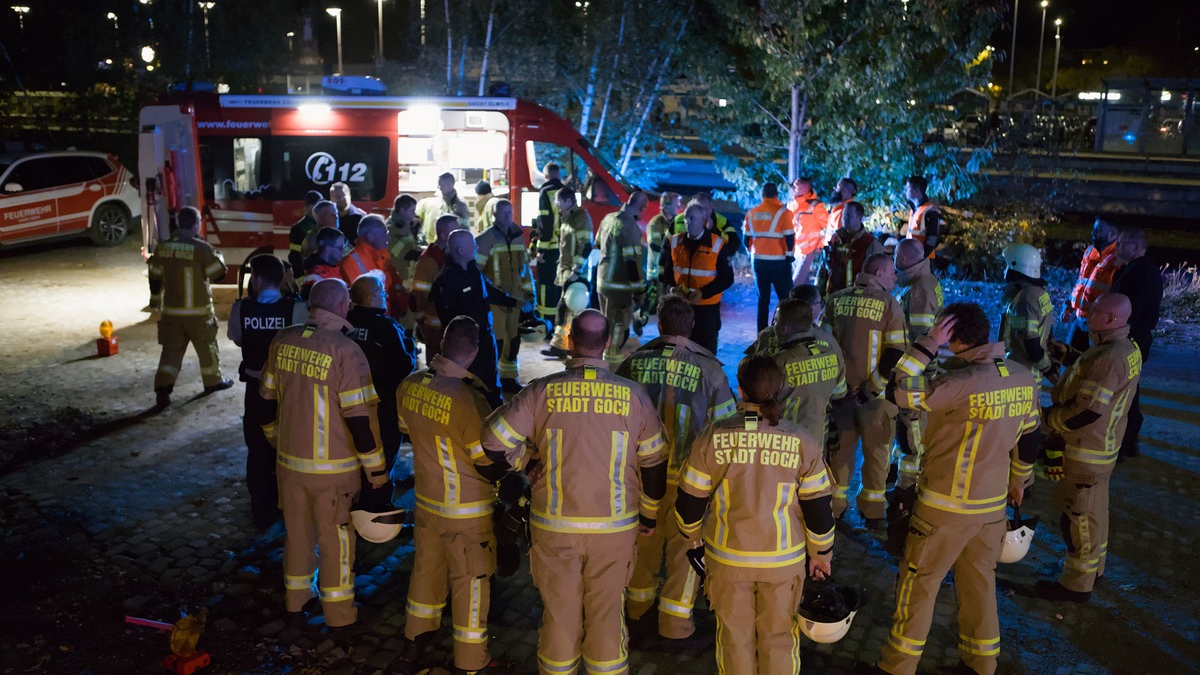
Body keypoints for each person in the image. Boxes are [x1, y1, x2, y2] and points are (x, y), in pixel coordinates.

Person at [479, 309, 667, 675]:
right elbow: (654, 462)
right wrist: (648, 514)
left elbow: (492, 441)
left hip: (554, 528)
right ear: (608, 343)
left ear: (569, 341)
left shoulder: (541, 391)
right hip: (614, 530)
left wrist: (526, 464)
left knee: (559, 615)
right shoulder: (634, 396)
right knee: (607, 615)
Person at [875, 303, 1039, 675]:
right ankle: (981, 664)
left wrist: (927, 343)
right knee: (979, 584)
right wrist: (1019, 481)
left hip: (944, 509)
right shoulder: (1021, 376)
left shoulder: (956, 384)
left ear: (952, 334)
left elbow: (896, 388)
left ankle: (896, 667)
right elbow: (1030, 437)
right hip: (991, 509)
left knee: (919, 585)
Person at [676, 355, 836, 675]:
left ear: (741, 390)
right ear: (781, 389)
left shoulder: (712, 437)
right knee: (780, 638)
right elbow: (819, 510)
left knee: (734, 639)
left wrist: (693, 541)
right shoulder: (802, 441)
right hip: (783, 563)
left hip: (728, 560)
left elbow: (689, 504)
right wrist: (821, 555)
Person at [258, 278, 387, 629]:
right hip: (334, 472)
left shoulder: (282, 341)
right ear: (343, 306)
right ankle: (340, 616)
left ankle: (296, 601)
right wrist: (376, 472)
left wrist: (277, 440)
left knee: (297, 535)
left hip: (289, 465)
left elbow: (265, 403)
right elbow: (360, 419)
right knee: (336, 542)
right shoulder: (346, 351)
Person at [617, 296, 737, 639]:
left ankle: (636, 610)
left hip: (643, 477)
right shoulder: (710, 369)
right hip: (689, 479)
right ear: (692, 326)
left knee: (643, 544)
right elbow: (725, 428)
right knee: (686, 546)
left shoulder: (633, 363)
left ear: (659, 325)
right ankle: (675, 624)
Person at [397, 316, 505, 675]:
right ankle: (471, 660)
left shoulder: (410, 384)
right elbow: (486, 462)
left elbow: (406, 429)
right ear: (474, 353)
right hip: (467, 512)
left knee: (426, 569)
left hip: (427, 501)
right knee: (471, 582)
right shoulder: (469, 400)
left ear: (442, 344)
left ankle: (417, 635)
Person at [1036, 293, 1142, 603]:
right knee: (1095, 512)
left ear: (1110, 319)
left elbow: (1087, 410)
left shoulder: (1109, 359)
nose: (1087, 314)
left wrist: (1047, 419)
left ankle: (1076, 584)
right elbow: (1095, 374)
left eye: (1094, 311)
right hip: (1104, 447)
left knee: (1077, 517)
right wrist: (1069, 355)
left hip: (1085, 450)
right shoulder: (1125, 348)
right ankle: (1095, 568)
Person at [227, 254, 309, 529]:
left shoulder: (241, 308)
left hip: (256, 389)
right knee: (288, 447)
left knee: (257, 447)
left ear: (257, 279)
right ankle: (287, 503)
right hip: (287, 391)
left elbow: (238, 338)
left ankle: (261, 508)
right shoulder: (296, 309)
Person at [824, 253, 906, 524]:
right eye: (892, 272)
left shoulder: (835, 300)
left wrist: (838, 389)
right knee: (877, 455)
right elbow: (895, 352)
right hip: (875, 399)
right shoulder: (890, 304)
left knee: (838, 455)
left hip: (840, 396)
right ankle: (872, 513)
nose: (895, 277)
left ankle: (833, 509)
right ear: (879, 274)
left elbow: (825, 346)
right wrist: (869, 390)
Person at [148, 205, 234, 408]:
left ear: (179, 224)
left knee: (170, 352)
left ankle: (163, 388)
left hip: (171, 314)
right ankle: (213, 382)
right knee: (207, 348)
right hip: (199, 314)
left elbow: (155, 277)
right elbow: (219, 274)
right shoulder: (201, 248)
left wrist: (155, 300)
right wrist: (218, 255)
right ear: (196, 224)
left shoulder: (162, 248)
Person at [346, 272, 416, 494]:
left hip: (348, 405)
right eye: (381, 293)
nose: (385, 296)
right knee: (383, 461)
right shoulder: (386, 327)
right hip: (382, 407)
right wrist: (410, 347)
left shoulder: (345, 324)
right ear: (370, 298)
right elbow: (404, 366)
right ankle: (379, 505)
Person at [431, 229, 516, 408]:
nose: (476, 247)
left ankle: (494, 412)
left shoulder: (472, 269)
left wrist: (514, 302)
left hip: (484, 338)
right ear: (461, 250)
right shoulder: (446, 280)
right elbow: (447, 318)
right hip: (465, 344)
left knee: (490, 382)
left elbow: (489, 292)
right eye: (472, 244)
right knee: (470, 385)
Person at [893, 238, 944, 488]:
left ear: (903, 259)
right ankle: (897, 471)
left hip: (915, 372)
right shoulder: (922, 281)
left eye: (895, 256)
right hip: (915, 367)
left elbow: (922, 336)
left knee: (911, 429)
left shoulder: (919, 288)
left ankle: (908, 485)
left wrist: (924, 375)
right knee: (904, 429)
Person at [1111, 227, 1161, 460]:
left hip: (1130, 336)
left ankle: (1125, 442)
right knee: (1129, 388)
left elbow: (1130, 309)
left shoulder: (1137, 273)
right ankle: (1128, 442)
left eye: (1122, 242)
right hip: (1138, 336)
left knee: (1124, 390)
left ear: (1137, 247)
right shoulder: (1144, 268)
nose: (1117, 246)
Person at [660, 203, 734, 356]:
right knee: (677, 352)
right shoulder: (675, 241)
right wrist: (672, 287)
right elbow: (667, 271)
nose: (688, 222)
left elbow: (727, 278)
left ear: (703, 221)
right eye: (686, 218)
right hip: (680, 309)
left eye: (692, 218)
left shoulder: (717, 244)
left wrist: (703, 293)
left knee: (705, 354)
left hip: (706, 310)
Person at [476, 199, 534, 392]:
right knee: (497, 341)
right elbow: (476, 272)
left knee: (513, 340)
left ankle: (509, 379)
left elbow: (524, 270)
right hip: (495, 301)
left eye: (510, 212)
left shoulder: (518, 237)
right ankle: (491, 380)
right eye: (503, 213)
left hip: (516, 300)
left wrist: (529, 295)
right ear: (494, 215)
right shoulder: (485, 239)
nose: (508, 216)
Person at [771, 298, 847, 440]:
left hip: (785, 441)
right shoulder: (831, 354)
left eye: (775, 321)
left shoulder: (779, 362)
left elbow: (761, 403)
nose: (773, 325)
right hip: (817, 439)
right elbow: (839, 393)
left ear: (784, 328)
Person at [597, 190, 649, 363]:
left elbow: (598, 244)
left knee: (605, 325)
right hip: (619, 287)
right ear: (641, 207)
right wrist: (640, 291)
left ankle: (602, 360)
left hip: (602, 282)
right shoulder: (630, 228)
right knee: (617, 329)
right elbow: (631, 263)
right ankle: (611, 367)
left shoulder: (608, 219)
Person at [545, 187, 594, 358]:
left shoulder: (580, 218)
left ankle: (574, 347)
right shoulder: (568, 216)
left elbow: (586, 246)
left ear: (568, 200)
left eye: (558, 201)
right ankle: (560, 345)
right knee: (564, 310)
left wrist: (576, 270)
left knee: (573, 311)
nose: (556, 205)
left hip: (576, 274)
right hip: (567, 271)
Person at [743, 182, 796, 332]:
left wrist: (752, 253)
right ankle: (784, 330)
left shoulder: (751, 213)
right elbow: (789, 237)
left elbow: (746, 239)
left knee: (762, 300)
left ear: (762, 195)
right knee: (785, 299)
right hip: (779, 262)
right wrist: (789, 256)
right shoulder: (784, 213)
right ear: (776, 195)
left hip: (759, 262)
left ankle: (761, 333)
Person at [339, 215, 411, 324]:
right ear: (370, 236)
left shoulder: (383, 257)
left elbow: (396, 285)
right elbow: (362, 298)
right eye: (384, 234)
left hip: (388, 319)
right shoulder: (351, 262)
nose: (388, 238)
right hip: (370, 322)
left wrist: (400, 307)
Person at [1063, 218, 1121, 352]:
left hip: (1098, 325)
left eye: (1098, 229)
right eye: (1094, 228)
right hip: (1080, 318)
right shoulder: (1090, 251)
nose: (1093, 232)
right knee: (1068, 359)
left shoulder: (1119, 258)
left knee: (1093, 363)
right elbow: (1081, 282)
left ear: (1112, 234)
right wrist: (1069, 305)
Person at [411, 214, 459, 362]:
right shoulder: (429, 261)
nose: (458, 235)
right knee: (435, 367)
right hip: (435, 326)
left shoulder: (448, 256)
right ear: (444, 235)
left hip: (449, 324)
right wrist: (422, 323)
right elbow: (417, 296)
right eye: (455, 232)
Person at [744, 284, 831, 357]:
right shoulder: (825, 338)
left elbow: (749, 361)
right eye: (820, 303)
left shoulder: (765, 335)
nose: (821, 306)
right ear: (811, 308)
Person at [822, 201, 884, 296]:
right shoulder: (835, 238)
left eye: (849, 215)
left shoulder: (870, 243)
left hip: (857, 296)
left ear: (859, 218)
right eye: (843, 215)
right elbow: (824, 267)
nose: (844, 218)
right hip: (833, 295)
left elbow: (875, 277)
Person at [533, 163, 565, 327]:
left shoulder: (545, 192)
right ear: (558, 174)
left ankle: (547, 323)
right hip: (565, 249)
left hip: (550, 250)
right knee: (561, 287)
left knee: (547, 287)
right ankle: (561, 322)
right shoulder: (567, 192)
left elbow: (544, 223)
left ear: (546, 176)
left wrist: (540, 250)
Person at [787, 177, 830, 285]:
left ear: (805, 189)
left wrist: (820, 245)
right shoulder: (792, 205)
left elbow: (829, 227)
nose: (792, 188)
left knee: (795, 284)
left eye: (796, 186)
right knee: (804, 286)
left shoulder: (815, 206)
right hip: (795, 250)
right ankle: (813, 296)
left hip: (807, 251)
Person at [417, 172, 471, 243]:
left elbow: (464, 231)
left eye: (441, 185)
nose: (439, 188)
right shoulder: (439, 201)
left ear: (449, 185)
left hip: (447, 245)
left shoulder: (460, 206)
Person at [300, 227, 348, 300]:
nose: (343, 252)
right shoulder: (315, 276)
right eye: (341, 248)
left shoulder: (337, 268)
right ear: (328, 249)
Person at [386, 194, 423, 286]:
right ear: (402, 210)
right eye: (412, 210)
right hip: (401, 279)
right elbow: (406, 253)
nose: (414, 214)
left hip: (412, 276)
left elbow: (421, 242)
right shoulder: (391, 229)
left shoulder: (411, 225)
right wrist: (428, 253)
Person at [902, 176, 941, 259]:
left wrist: (923, 255)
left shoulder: (930, 212)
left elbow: (933, 238)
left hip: (923, 260)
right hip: (913, 257)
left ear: (916, 191)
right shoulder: (914, 210)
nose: (905, 191)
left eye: (907, 188)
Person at [288, 190, 324, 276]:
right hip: (309, 273)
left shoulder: (325, 223)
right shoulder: (298, 228)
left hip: (325, 272)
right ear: (306, 207)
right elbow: (295, 256)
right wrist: (299, 278)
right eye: (315, 205)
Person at [825, 178, 857, 243]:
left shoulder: (843, 212)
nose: (834, 189)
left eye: (837, 187)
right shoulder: (843, 209)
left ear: (844, 192)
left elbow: (840, 240)